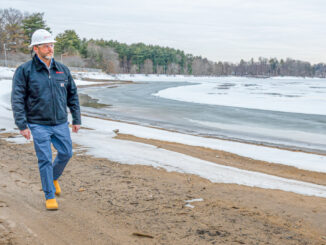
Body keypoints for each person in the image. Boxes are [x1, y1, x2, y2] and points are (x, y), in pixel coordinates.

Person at [11, 29, 81, 210]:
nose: (51, 48)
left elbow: (72, 95)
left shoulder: (62, 69)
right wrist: (22, 124)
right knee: (45, 158)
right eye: (46, 46)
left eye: (52, 45)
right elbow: (17, 98)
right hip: (37, 123)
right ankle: (49, 195)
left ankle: (53, 177)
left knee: (66, 153)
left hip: (60, 122)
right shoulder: (25, 70)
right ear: (36, 48)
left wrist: (76, 118)